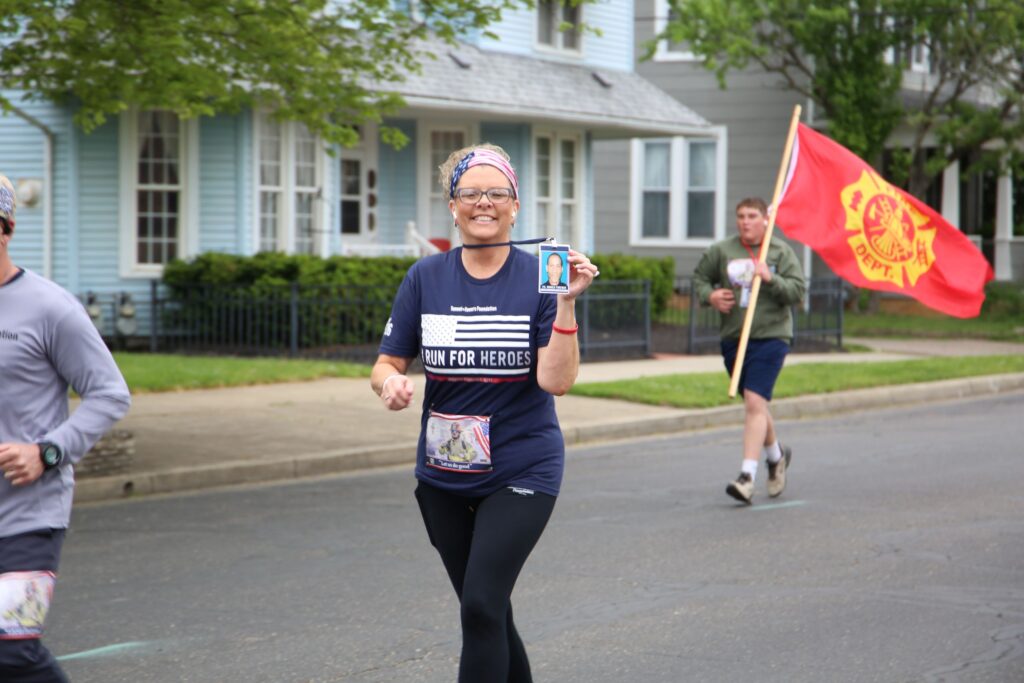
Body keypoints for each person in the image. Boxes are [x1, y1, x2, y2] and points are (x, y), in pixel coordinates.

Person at [372, 144, 598, 682]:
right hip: (442, 475)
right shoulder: (426, 277)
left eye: (497, 193)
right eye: (470, 192)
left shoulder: (541, 277)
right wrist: (392, 384)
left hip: (522, 470)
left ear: (515, 206)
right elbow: (384, 363)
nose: (484, 203)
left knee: (479, 606)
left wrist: (566, 302)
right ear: (452, 206)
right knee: (489, 611)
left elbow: (556, 381)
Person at [0, 174, 131, 682]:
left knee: (11, 650)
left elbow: (109, 393)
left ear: (6, 228)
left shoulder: (51, 308)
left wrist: (47, 451)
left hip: (27, 516)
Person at [692, 197, 806, 505]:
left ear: (765, 219)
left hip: (771, 337)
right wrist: (711, 296)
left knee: (755, 401)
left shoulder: (781, 252)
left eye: (752, 216)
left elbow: (797, 291)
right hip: (734, 337)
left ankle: (746, 476)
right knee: (758, 406)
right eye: (741, 216)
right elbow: (699, 279)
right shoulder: (722, 250)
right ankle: (776, 456)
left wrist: (771, 278)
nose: (745, 221)